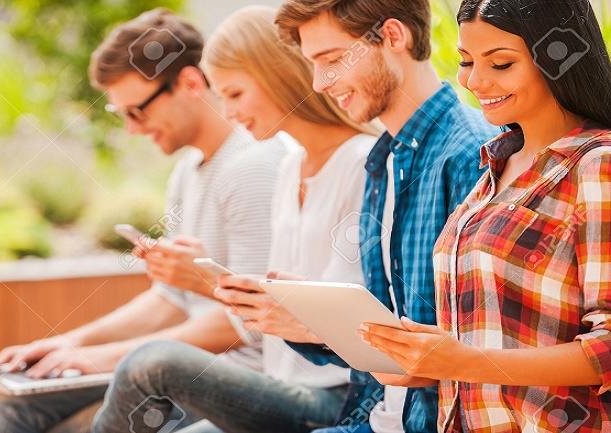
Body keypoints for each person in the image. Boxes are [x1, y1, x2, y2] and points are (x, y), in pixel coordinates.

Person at [0, 8, 288, 433]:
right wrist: (70, 344)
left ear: (191, 84)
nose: (132, 130)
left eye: (137, 111)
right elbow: (171, 300)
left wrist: (105, 357)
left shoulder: (252, 167)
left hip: (235, 378)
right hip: (179, 366)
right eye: (121, 116)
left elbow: (248, 321)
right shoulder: (188, 172)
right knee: (7, 397)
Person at [91, 6, 380, 433]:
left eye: (236, 94)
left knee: (151, 363)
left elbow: (353, 317)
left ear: (278, 75)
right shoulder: (289, 168)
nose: (226, 112)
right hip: (284, 382)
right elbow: (273, 306)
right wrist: (208, 279)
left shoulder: (358, 164)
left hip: (338, 393)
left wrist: (209, 282)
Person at [357, 0, 611, 431]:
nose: (475, 81)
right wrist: (430, 363)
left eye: (501, 63)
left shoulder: (596, 165)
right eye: (466, 61)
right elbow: (490, 337)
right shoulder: (493, 169)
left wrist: (471, 363)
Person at [274, 0, 501, 431]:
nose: (320, 84)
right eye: (314, 65)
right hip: (375, 418)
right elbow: (391, 341)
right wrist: (314, 318)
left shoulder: (472, 154)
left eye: (334, 60)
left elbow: (487, 353)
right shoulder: (384, 162)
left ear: (395, 36)